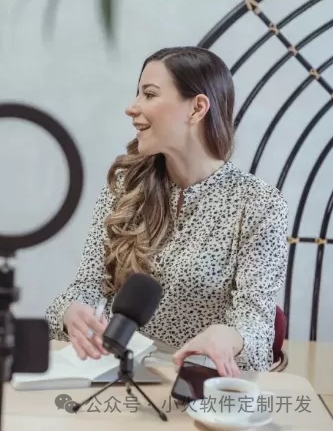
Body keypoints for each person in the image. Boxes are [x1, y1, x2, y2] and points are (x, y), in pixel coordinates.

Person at [45, 46, 289, 375]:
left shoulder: (259, 204)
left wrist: (231, 338)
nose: (132, 107)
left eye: (149, 94)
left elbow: (257, 331)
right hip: (112, 374)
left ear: (197, 108)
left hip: (195, 383)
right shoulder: (125, 187)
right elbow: (86, 286)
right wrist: (71, 312)